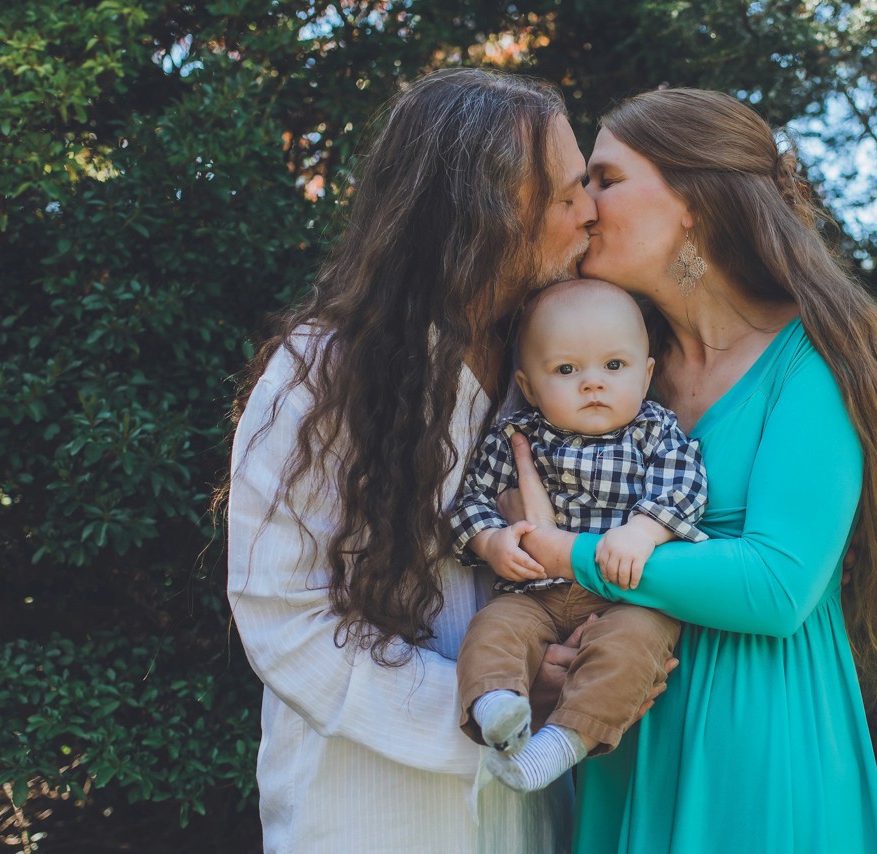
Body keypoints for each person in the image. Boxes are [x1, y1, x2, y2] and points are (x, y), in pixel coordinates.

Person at [505, 89, 877, 853]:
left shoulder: (808, 366)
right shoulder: (614, 377)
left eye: (606, 179)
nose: (584, 206)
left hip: (754, 734)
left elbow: (778, 586)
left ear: (691, 201)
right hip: (629, 733)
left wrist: (576, 556)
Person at [225, 68, 603, 853]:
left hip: (531, 813)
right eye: (565, 196)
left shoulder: (553, 374)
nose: (590, 215)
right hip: (368, 814)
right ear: (486, 213)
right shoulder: (323, 374)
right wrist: (488, 695)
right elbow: (284, 614)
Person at [450, 278, 707, 793]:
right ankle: (497, 704)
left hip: (624, 597)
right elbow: (469, 504)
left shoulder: (653, 430)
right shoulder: (518, 435)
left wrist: (643, 530)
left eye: (614, 366)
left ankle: (560, 745)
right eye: (567, 370)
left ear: (646, 371)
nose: (593, 384)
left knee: (634, 650)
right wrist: (491, 542)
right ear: (528, 385)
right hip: (533, 595)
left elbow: (685, 484)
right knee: (493, 630)